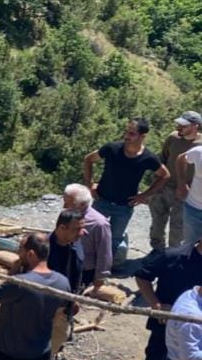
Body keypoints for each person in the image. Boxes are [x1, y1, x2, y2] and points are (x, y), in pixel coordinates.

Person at [121, 237, 202, 360]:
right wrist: (155, 304)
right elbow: (142, 275)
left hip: (195, 334)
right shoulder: (174, 256)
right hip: (165, 328)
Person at [83, 118, 169, 265]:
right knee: (88, 233)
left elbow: (165, 175)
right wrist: (90, 184)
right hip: (101, 200)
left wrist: (145, 195)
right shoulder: (112, 148)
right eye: (126, 132)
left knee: (114, 239)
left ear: (142, 136)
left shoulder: (148, 157)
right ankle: (86, 263)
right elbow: (88, 159)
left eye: (132, 133)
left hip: (124, 206)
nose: (126, 136)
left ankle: (104, 267)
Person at [45, 210, 85, 360]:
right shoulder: (44, 248)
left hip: (67, 303)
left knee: (59, 337)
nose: (81, 233)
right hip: (47, 307)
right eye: (76, 229)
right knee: (47, 338)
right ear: (62, 227)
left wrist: (74, 299)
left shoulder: (74, 243)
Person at [153, 111, 202, 250]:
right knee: (157, 220)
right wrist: (155, 184)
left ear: (195, 126)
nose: (179, 127)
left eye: (184, 125)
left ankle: (173, 254)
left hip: (187, 191)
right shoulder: (173, 137)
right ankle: (156, 251)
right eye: (179, 124)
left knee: (178, 225)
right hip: (165, 185)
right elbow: (162, 159)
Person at [62, 184, 114, 297]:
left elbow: (104, 253)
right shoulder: (68, 214)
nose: (64, 206)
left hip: (84, 269)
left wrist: (100, 277)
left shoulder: (99, 223)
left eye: (68, 203)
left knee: (73, 296)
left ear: (81, 204)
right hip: (65, 262)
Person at [173, 112, 202, 245]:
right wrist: (182, 183)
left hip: (191, 202)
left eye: (184, 126)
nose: (179, 128)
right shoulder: (199, 152)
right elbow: (180, 159)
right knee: (187, 243)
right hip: (193, 207)